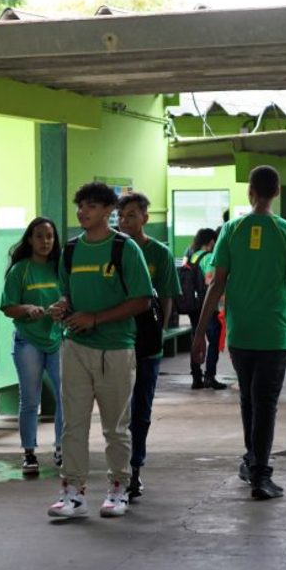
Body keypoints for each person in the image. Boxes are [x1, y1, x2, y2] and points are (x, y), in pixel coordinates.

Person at [192, 165, 286, 500]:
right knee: (265, 403)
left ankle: (252, 460)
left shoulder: (231, 230)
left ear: (250, 191)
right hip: (273, 331)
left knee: (249, 399)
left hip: (240, 333)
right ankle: (260, 473)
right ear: (276, 192)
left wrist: (200, 333)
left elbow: (216, 285)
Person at [47, 183, 153, 519]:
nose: (82, 212)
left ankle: (118, 488)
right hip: (75, 347)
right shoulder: (71, 251)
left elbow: (141, 299)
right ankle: (72, 493)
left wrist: (96, 318)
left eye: (90, 206)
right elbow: (68, 293)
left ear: (108, 211)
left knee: (115, 427)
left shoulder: (125, 249)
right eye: (80, 206)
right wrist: (63, 307)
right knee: (73, 425)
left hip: (116, 350)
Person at [116, 193, 181, 500]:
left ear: (145, 217)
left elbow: (167, 296)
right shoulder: (112, 250)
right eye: (120, 216)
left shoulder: (159, 253)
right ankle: (117, 469)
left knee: (141, 408)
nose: (124, 221)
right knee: (117, 408)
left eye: (130, 215)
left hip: (146, 342)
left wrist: (158, 332)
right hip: (116, 339)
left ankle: (134, 469)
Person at [0, 218, 63, 474]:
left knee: (65, 396)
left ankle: (61, 447)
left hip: (57, 339)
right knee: (30, 399)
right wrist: (27, 309)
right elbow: (8, 307)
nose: (45, 241)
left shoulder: (59, 268)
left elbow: (71, 297)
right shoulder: (20, 270)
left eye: (49, 236)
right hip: (28, 342)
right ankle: (29, 453)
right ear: (29, 239)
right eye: (39, 236)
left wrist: (63, 306)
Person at [186, 228, 225, 390]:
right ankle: (210, 376)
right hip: (206, 307)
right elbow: (210, 281)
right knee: (213, 341)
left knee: (196, 339)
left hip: (192, 305)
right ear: (211, 242)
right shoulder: (209, 257)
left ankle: (196, 378)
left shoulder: (192, 256)